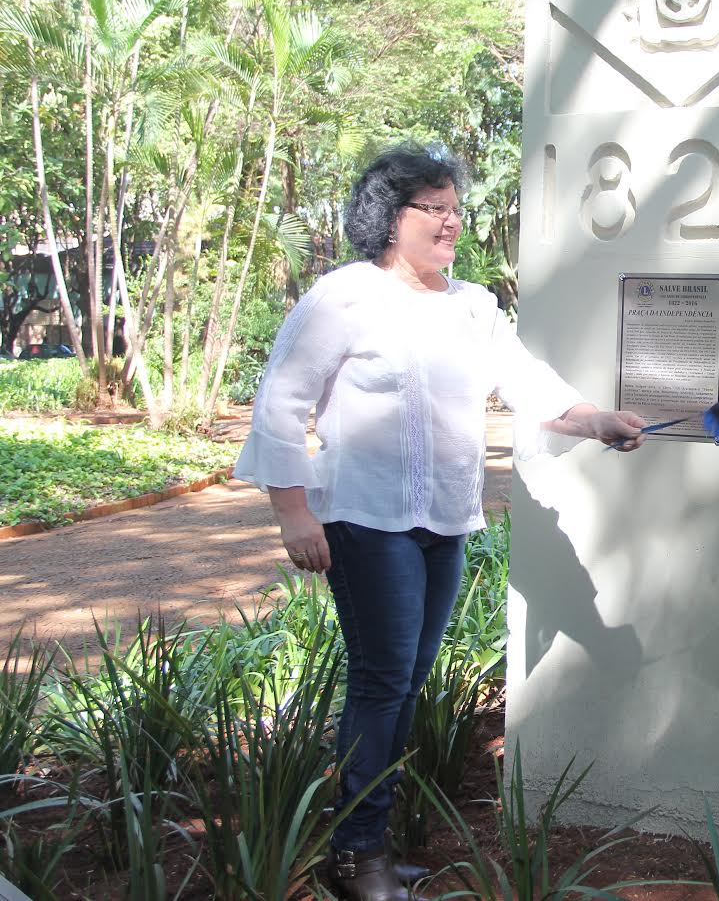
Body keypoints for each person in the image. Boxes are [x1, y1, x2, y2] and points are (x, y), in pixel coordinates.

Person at [234, 144, 646, 901]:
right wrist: (293, 512)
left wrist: (594, 419)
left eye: (456, 206)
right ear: (390, 217)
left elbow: (526, 381)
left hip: (443, 522)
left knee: (406, 681)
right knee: (384, 679)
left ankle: (364, 844)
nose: (452, 219)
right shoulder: (342, 297)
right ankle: (359, 855)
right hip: (367, 518)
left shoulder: (473, 304)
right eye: (435, 206)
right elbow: (282, 401)